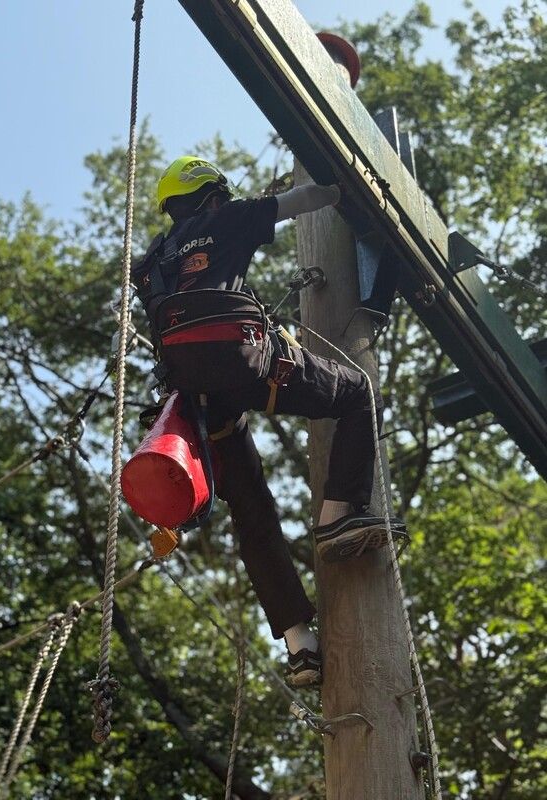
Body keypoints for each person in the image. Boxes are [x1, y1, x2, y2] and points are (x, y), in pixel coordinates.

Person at [132, 156, 403, 687]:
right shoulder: (225, 217)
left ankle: (300, 645)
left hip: (195, 396)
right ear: (212, 194)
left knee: (251, 510)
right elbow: (302, 202)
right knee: (356, 394)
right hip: (246, 361)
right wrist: (351, 188)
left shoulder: (149, 265)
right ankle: (338, 514)